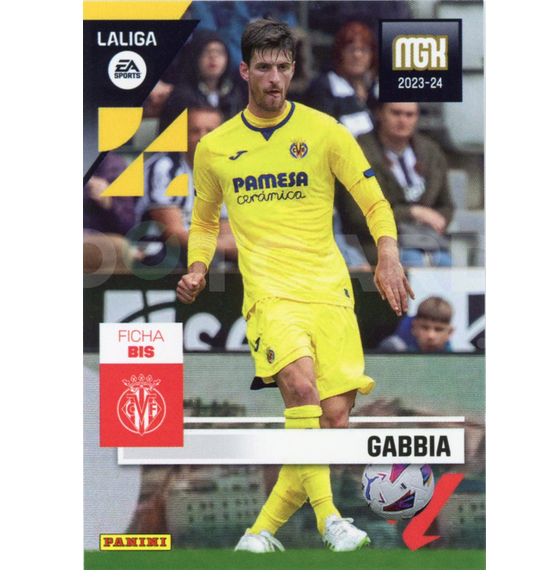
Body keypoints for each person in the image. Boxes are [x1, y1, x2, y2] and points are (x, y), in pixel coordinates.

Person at [176, 19, 413, 553]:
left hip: (330, 291)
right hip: (270, 294)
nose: (274, 78)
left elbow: (374, 200)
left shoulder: (326, 131)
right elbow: (205, 221)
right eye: (264, 67)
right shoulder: (215, 147)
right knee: (302, 393)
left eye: (283, 67)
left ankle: (259, 533)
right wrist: (197, 266)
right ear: (245, 71)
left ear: (292, 70)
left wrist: (388, 254)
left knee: (332, 421)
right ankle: (332, 521)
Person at [336, 101, 455, 267]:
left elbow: (446, 205)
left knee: (445, 261)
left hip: (426, 239)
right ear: (380, 113)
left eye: (409, 115)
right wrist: (412, 213)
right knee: (413, 260)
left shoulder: (430, 151)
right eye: (396, 113)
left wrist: (436, 220)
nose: (403, 120)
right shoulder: (359, 151)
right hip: (374, 242)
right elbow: (357, 215)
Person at [135, 106, 237, 269]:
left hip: (207, 247)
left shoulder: (224, 171)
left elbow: (226, 231)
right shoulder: (165, 167)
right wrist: (228, 247)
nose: (202, 138)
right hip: (159, 248)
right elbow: (173, 234)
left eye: (210, 131)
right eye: (195, 131)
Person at [157, 30, 247, 132]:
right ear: (194, 56)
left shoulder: (236, 94)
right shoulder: (180, 97)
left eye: (219, 52)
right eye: (206, 51)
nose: (213, 57)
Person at [302, 21, 378, 138]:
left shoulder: (374, 90)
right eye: (351, 49)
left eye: (364, 49)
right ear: (340, 53)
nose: (357, 55)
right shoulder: (323, 88)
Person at [83, 153, 139, 273]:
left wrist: (109, 203)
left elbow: (128, 226)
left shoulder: (113, 164)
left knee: (120, 249)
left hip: (99, 240)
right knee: (117, 248)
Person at [379, 296, 454, 352]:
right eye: (425, 328)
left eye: (438, 329)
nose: (430, 336)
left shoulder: (455, 362)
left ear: (449, 332)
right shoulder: (395, 350)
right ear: (414, 328)